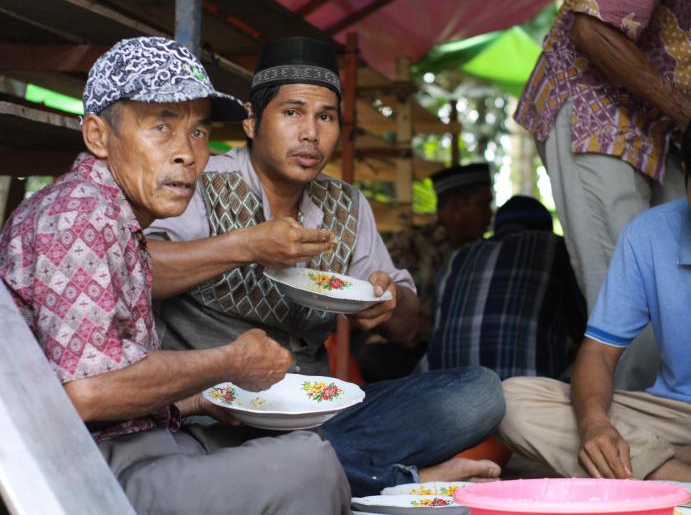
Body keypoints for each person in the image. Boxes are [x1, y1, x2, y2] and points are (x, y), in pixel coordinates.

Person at [0, 37, 351, 514]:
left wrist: (198, 400)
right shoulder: (78, 216)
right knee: (311, 463)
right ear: (98, 136)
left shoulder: (113, 216)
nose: (187, 153)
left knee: (295, 445)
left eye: (198, 131)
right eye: (161, 126)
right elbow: (87, 392)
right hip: (88, 476)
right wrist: (230, 360)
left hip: (142, 446)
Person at [146, 37, 506, 497]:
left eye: (326, 117)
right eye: (292, 113)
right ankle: (393, 480)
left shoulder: (346, 205)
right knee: (212, 453)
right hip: (214, 417)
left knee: (480, 394)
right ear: (252, 121)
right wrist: (244, 245)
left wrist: (389, 302)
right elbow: (140, 270)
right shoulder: (203, 184)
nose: (311, 133)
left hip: (318, 418)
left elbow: (405, 326)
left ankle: (307, 473)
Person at [498, 122, 691, 481]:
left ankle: (654, 470)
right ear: (686, 175)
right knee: (512, 403)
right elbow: (599, 352)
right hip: (673, 417)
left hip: (662, 440)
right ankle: (668, 469)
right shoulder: (649, 234)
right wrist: (594, 425)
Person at [514, 0, 689, 390]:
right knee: (635, 299)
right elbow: (591, 29)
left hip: (668, 127)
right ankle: (630, 424)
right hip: (594, 104)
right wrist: (687, 116)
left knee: (677, 285)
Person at [428, 195, 587, 380]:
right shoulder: (557, 249)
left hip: (446, 390)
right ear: (546, 228)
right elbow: (587, 328)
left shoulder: (456, 258)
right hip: (525, 390)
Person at [386, 162, 493, 342]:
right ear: (456, 206)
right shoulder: (410, 244)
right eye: (483, 204)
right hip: (405, 350)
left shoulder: (486, 253)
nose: (490, 214)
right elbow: (383, 305)